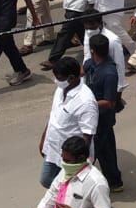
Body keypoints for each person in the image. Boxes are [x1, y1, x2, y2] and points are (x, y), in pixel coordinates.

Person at [38, 57, 96, 188]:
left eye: (59, 78)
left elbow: (88, 135)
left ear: (71, 78)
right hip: (53, 148)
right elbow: (53, 116)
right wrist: (44, 139)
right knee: (47, 179)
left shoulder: (85, 101)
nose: (56, 81)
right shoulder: (60, 90)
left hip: (72, 156)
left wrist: (78, 162)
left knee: (72, 187)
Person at [84, 37, 124, 191]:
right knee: (101, 151)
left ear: (92, 50)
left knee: (101, 152)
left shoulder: (109, 73)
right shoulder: (91, 64)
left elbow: (109, 103)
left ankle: (114, 183)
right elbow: (82, 71)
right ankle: (111, 180)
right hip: (91, 117)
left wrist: (87, 104)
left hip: (102, 119)